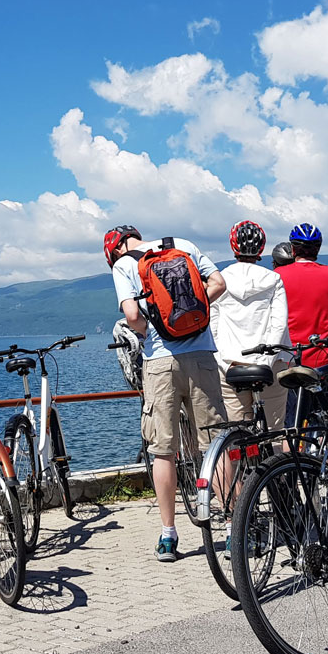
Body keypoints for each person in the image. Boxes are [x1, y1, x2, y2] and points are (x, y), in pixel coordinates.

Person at [105, 225, 227, 561]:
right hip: (202, 354)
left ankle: (169, 536)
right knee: (215, 444)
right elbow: (218, 283)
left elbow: (131, 315)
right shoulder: (183, 245)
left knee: (164, 450)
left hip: (160, 362)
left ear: (114, 249)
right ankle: (234, 528)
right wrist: (193, 319)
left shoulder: (123, 264)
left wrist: (157, 329)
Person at [210, 221, 290, 431]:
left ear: (233, 246)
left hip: (231, 363)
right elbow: (279, 325)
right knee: (275, 431)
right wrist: (267, 361)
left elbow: (213, 328)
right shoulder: (274, 279)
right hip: (270, 364)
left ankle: (237, 461)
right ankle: (278, 463)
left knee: (236, 432)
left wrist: (223, 363)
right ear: (261, 248)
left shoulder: (220, 279)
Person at [276, 223, 328, 370]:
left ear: (292, 249)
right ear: (317, 248)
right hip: (326, 356)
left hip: (291, 356)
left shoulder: (279, 275)